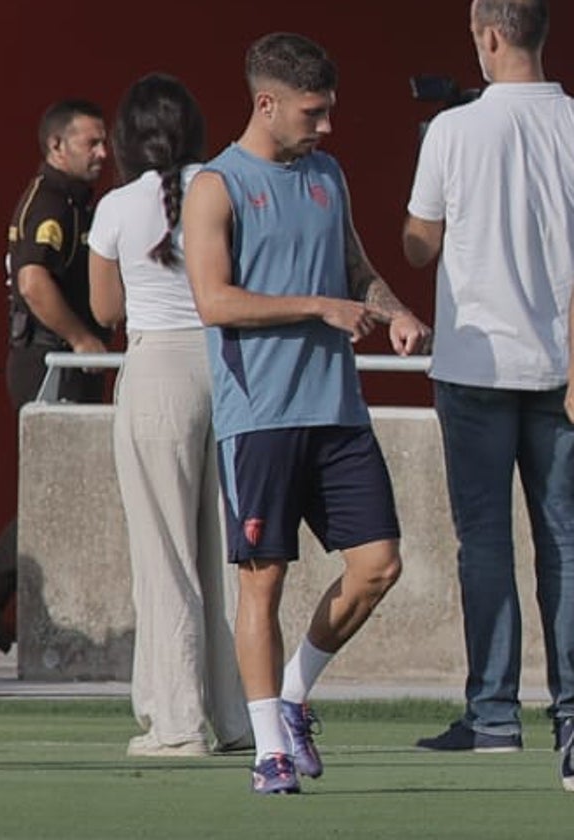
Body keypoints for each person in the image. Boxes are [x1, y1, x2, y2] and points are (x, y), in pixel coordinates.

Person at [182, 32, 430, 794]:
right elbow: (213, 301)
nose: (325, 127)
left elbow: (356, 268)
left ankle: (291, 696)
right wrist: (318, 307)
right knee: (264, 583)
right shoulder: (215, 186)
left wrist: (392, 311)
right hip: (260, 418)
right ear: (267, 103)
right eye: (312, 113)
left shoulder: (328, 174)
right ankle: (269, 751)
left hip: (338, 411)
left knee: (378, 566)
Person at [404, 0, 574, 790]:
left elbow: (418, 243)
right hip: (560, 367)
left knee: (487, 543)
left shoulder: (452, 131)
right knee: (565, 545)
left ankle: (495, 714)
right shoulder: (572, 124)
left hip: (475, 368)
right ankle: (570, 715)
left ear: (492, 36)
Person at [87, 73, 251, 757]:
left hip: (158, 370)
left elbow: (104, 311)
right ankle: (239, 718)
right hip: (228, 365)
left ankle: (176, 720)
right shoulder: (226, 188)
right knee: (226, 556)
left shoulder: (119, 206)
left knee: (165, 557)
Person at [0, 99, 111, 653]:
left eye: (104, 142)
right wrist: (82, 338)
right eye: (91, 143)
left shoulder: (79, 202)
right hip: (49, 359)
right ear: (56, 147)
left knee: (75, 486)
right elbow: (34, 281)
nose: (102, 154)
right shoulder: (51, 203)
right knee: (58, 488)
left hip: (69, 359)